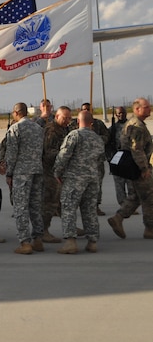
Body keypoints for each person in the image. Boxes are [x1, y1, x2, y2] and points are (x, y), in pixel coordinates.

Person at [53, 110, 105, 254]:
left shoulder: (74, 135)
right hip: (93, 178)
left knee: (69, 208)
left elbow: (63, 155)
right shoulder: (97, 138)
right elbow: (101, 158)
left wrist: (57, 171)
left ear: (77, 122)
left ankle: (70, 242)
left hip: (74, 178)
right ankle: (92, 241)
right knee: (89, 210)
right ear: (91, 123)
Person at [107, 98, 153, 240]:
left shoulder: (134, 124)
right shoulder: (137, 126)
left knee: (137, 196)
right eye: (146, 107)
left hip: (134, 166)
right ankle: (150, 229)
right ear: (137, 109)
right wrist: (144, 168)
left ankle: (118, 218)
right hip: (137, 166)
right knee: (149, 197)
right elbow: (136, 149)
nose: (149, 109)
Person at [5, 102, 45, 255]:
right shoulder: (38, 128)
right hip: (37, 170)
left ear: (16, 113)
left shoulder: (15, 129)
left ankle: (25, 242)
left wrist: (9, 173)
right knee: (35, 206)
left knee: (21, 207)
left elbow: (12, 154)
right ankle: (38, 239)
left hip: (22, 172)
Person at [41, 106, 73, 243]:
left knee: (63, 202)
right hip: (50, 172)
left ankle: (69, 227)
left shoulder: (64, 129)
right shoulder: (52, 130)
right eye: (64, 118)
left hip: (61, 171)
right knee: (50, 202)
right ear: (57, 117)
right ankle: (43, 231)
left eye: (69, 118)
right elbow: (48, 153)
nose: (67, 120)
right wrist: (65, 154)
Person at [108, 106, 135, 207]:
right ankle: (123, 205)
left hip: (129, 157)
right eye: (119, 113)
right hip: (117, 157)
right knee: (119, 184)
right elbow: (107, 144)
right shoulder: (112, 129)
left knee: (131, 183)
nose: (121, 115)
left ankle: (131, 205)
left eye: (123, 113)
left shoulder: (132, 126)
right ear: (116, 115)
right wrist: (110, 158)